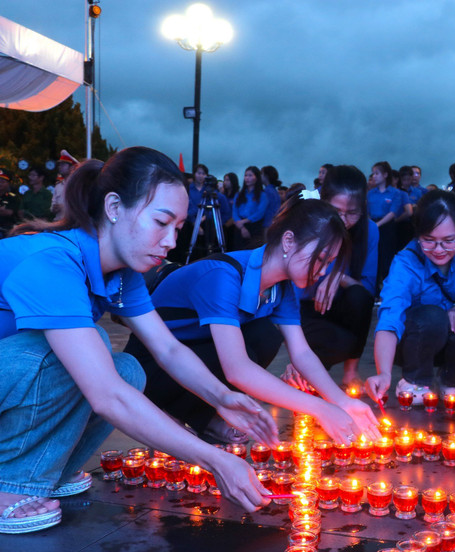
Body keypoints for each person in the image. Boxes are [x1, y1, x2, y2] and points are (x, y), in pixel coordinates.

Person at [0, 147, 279, 533]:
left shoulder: (123, 274)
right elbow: (106, 395)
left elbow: (167, 349)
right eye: (161, 222)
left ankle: (51, 469)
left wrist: (221, 397)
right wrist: (214, 460)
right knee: (81, 353)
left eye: (178, 228)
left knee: (128, 369)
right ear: (114, 207)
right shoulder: (52, 261)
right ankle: (10, 487)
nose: (170, 242)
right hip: (13, 370)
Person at [124, 195, 380, 447]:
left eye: (329, 263)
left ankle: (205, 416)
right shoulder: (223, 276)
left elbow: (301, 353)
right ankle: (167, 411)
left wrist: (340, 401)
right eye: (321, 259)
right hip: (153, 367)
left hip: (196, 358)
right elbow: (237, 369)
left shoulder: (282, 288)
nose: (323, 271)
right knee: (252, 342)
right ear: (288, 241)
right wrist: (320, 409)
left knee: (264, 334)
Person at [366, 190, 455, 403]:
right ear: (417, 235)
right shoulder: (406, 263)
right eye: (428, 240)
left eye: (449, 240)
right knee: (432, 316)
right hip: (413, 341)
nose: (439, 250)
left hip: (452, 337)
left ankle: (448, 379)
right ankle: (414, 380)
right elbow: (389, 319)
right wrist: (383, 373)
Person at [290, 166, 378, 389]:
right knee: (333, 343)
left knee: (359, 298)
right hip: (306, 309)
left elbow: (367, 287)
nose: (345, 220)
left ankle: (350, 372)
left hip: (341, 309)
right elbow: (293, 288)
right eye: (337, 210)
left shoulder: (370, 231)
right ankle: (301, 368)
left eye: (353, 213)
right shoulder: (307, 225)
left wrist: (338, 277)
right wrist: (324, 276)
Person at [368, 161, 406, 288]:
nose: (374, 176)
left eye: (377, 173)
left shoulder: (395, 193)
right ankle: (374, 290)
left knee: (386, 259)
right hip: (372, 225)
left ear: (385, 175)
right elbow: (367, 211)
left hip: (387, 227)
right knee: (373, 258)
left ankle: (388, 289)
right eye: (373, 173)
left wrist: (378, 224)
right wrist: (372, 225)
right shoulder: (370, 193)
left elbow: (393, 212)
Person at [233, 166, 271, 250]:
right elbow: (234, 212)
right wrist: (242, 226)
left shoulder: (262, 195)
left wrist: (245, 221)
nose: (247, 178)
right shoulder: (239, 194)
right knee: (237, 251)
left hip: (254, 226)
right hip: (239, 225)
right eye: (246, 175)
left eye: (250, 175)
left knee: (252, 251)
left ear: (257, 177)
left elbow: (260, 213)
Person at [50, 150, 78, 222]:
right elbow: (52, 207)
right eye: (60, 165)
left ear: (72, 168)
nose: (60, 167)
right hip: (58, 222)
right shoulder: (58, 186)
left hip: (72, 223)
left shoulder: (77, 186)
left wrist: (63, 207)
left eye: (63, 165)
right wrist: (54, 208)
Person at [0, 168, 20, 237]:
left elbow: (9, 212)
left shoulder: (13, 197)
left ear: (8, 183)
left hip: (7, 229)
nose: (0, 184)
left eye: (2, 182)